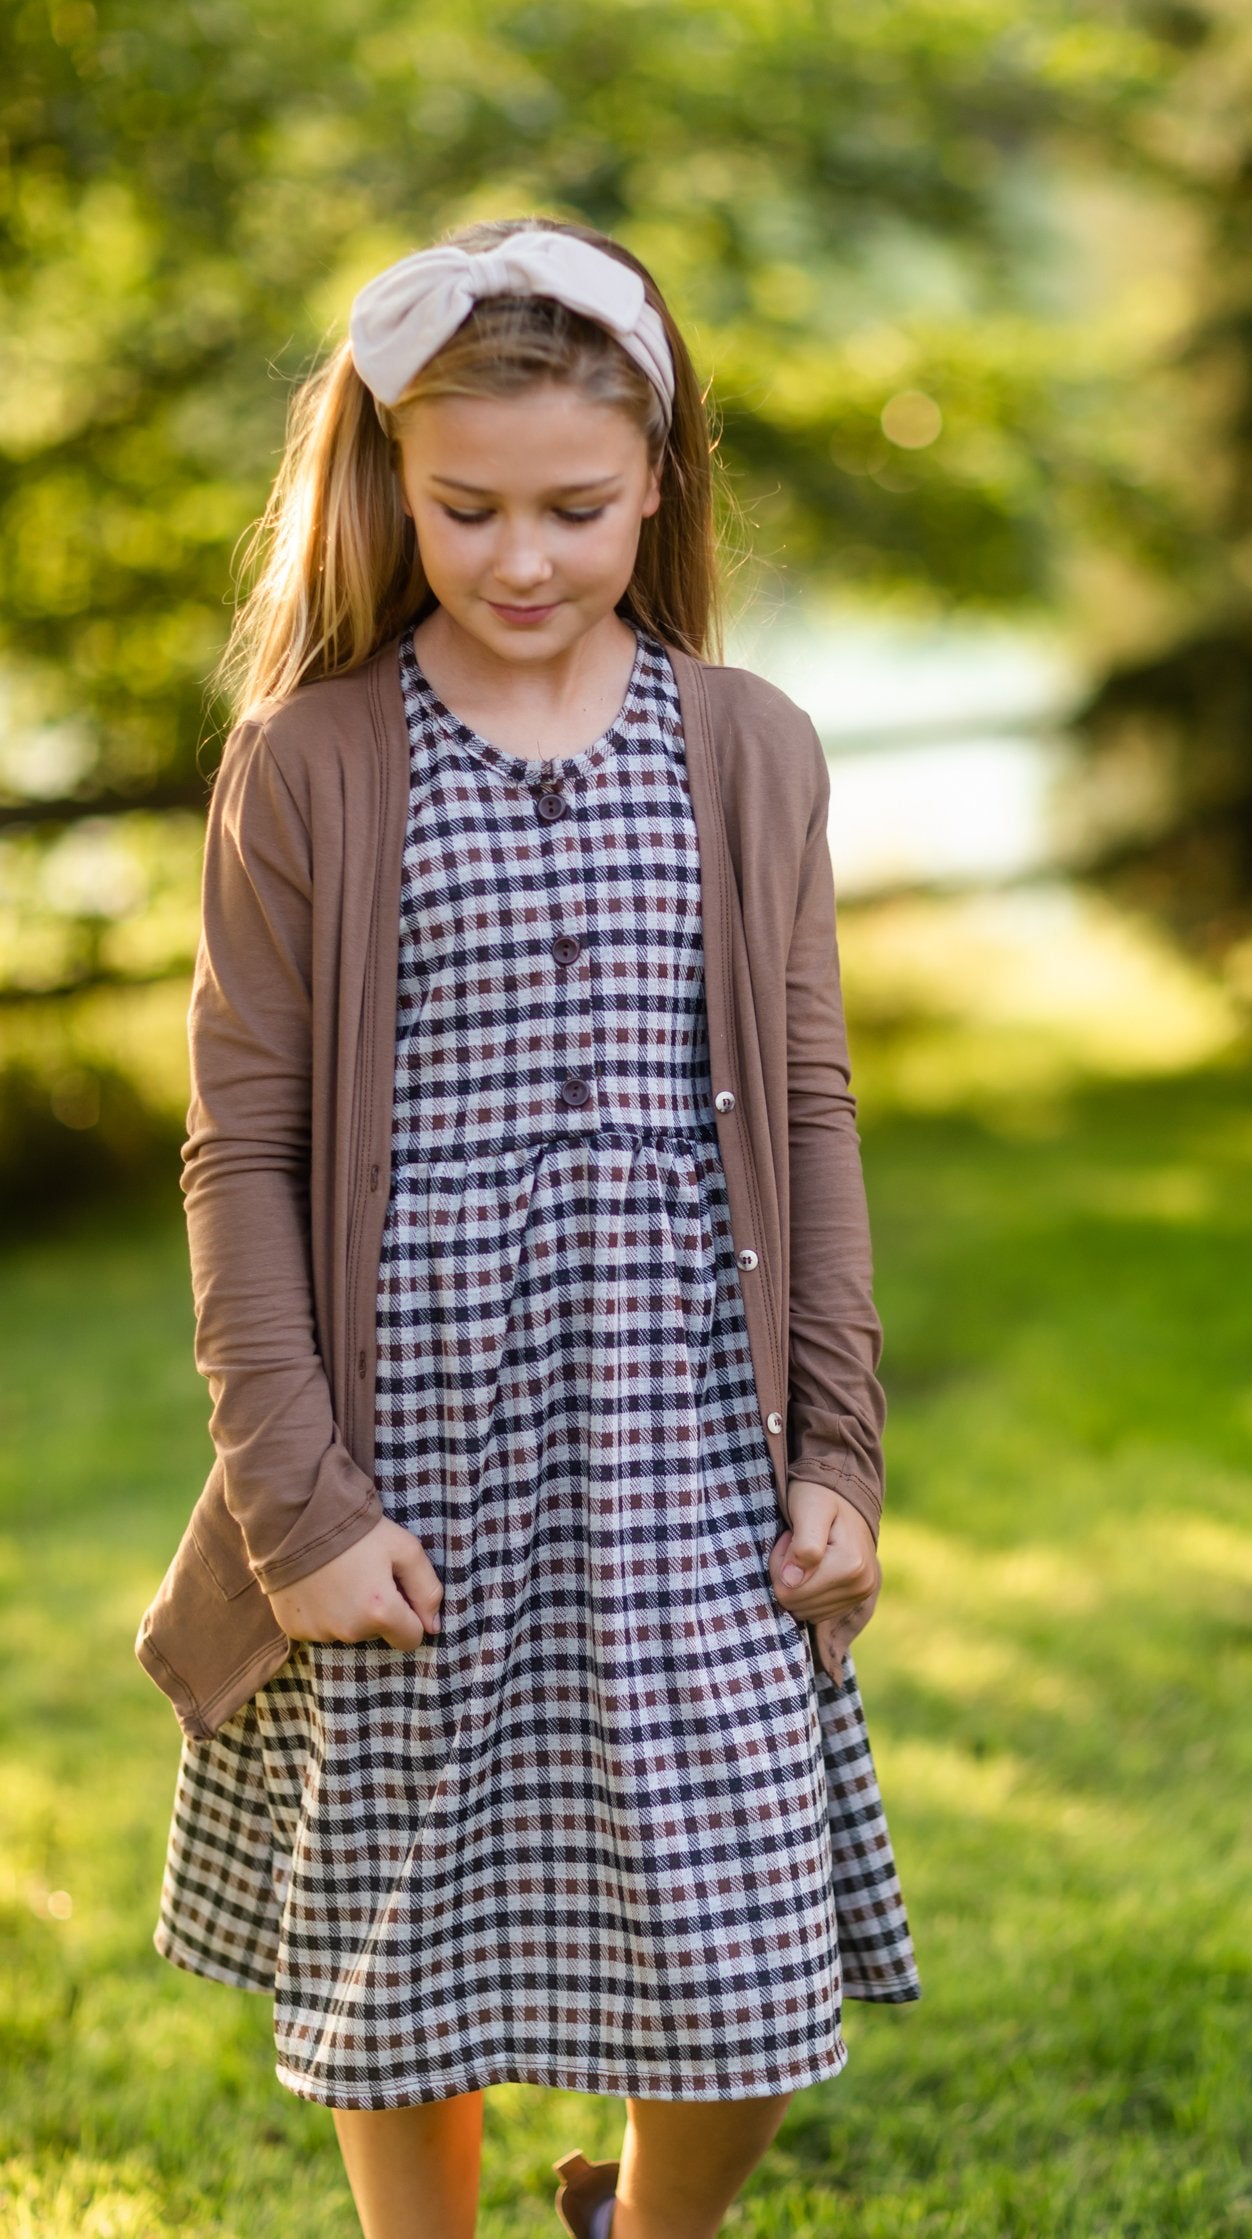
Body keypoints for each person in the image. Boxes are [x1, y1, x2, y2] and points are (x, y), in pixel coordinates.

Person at [134, 217, 920, 2239]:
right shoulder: (304, 767)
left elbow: (811, 1112)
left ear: (657, 477)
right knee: (415, 1947)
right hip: (412, 1457)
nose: (518, 557)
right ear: (391, 480)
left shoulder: (747, 748)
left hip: (687, 1448)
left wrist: (837, 1448)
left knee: (746, 1963)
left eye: (572, 506)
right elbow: (241, 1156)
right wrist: (297, 1509)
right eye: (465, 503)